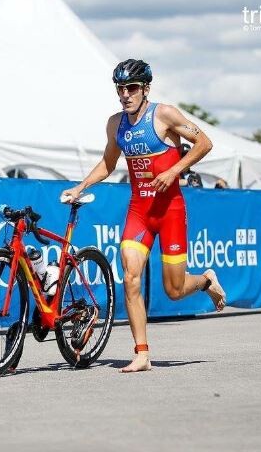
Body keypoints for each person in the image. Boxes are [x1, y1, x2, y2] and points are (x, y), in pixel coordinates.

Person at [61, 59, 226, 373]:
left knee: (174, 291)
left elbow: (204, 142)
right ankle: (142, 353)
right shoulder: (115, 124)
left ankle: (206, 280)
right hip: (140, 212)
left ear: (145, 88)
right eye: (120, 89)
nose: (125, 94)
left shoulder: (164, 114)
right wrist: (81, 186)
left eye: (132, 88)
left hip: (170, 211)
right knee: (131, 277)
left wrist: (176, 170)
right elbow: (109, 164)